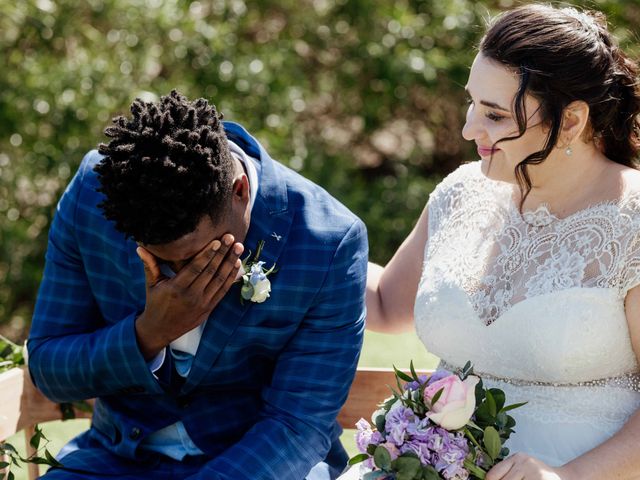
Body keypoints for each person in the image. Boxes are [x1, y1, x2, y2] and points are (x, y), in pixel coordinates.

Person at [27, 90, 368, 480]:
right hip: (116, 461)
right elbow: (48, 367)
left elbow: (296, 425)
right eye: (154, 256)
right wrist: (147, 335)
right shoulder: (95, 193)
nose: (175, 274)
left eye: (193, 255)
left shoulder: (328, 241)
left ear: (239, 192)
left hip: (256, 464)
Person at [361, 4, 640, 480]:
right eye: (472, 104)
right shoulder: (460, 192)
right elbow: (386, 302)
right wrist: (271, 235)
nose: (470, 129)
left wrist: (566, 477)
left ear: (570, 122)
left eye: (493, 114)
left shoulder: (632, 222)